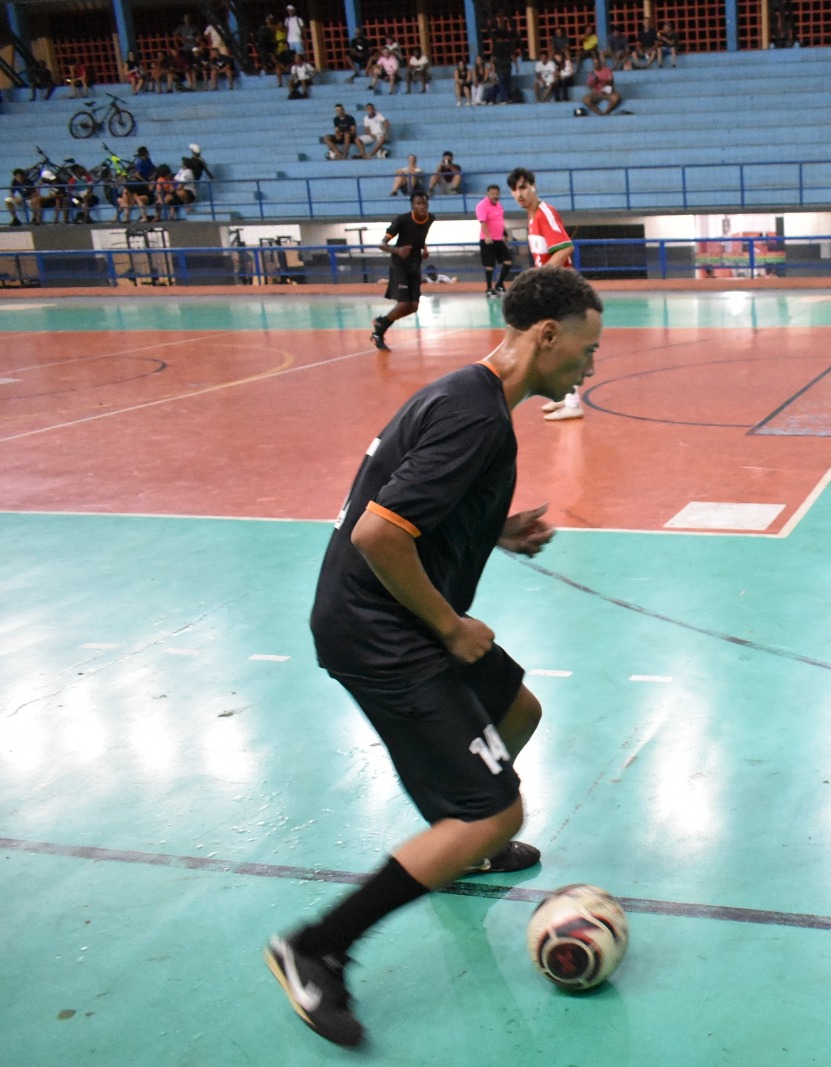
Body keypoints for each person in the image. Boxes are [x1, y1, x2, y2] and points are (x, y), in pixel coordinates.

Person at [265, 265, 603, 1047]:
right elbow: (378, 533)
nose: (591, 366)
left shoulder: (468, 393)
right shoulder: (478, 417)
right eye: (587, 349)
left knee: (518, 708)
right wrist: (451, 628)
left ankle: (466, 845)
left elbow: (415, 503)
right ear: (546, 335)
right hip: (379, 629)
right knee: (496, 808)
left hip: (391, 613)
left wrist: (497, 528)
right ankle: (315, 944)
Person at [508, 167, 584, 422]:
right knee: (551, 346)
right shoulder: (531, 219)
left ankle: (573, 403)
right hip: (550, 290)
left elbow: (564, 248)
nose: (519, 193)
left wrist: (540, 278)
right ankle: (565, 396)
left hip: (562, 289)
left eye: (523, 187)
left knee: (560, 347)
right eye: (515, 189)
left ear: (533, 187)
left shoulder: (544, 213)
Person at [370, 191, 433, 351]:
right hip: (400, 265)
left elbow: (421, 236)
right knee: (404, 303)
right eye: (417, 203)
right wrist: (397, 251)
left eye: (423, 203)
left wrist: (424, 249)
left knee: (413, 307)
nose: (421, 206)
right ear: (412, 205)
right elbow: (382, 244)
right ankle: (378, 333)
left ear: (427, 205)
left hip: (415, 264)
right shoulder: (402, 220)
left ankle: (381, 321)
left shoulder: (430, 218)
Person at [476, 183, 514, 295]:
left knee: (508, 260)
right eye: (493, 193)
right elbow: (482, 221)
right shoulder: (482, 205)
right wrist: (487, 236)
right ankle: (488, 288)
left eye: (497, 194)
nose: (495, 196)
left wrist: (505, 234)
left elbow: (500, 221)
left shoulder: (499, 205)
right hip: (487, 240)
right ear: (488, 194)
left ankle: (499, 283)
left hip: (499, 239)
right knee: (489, 265)